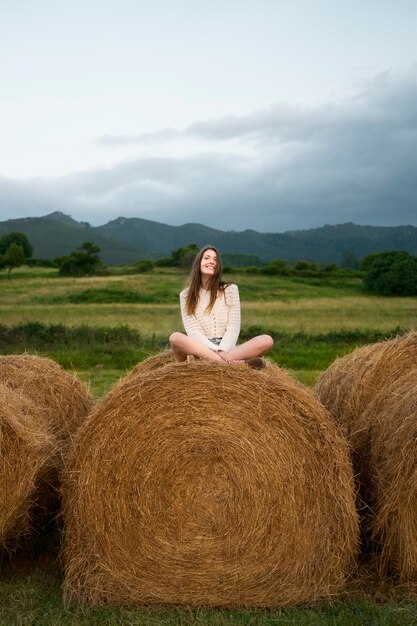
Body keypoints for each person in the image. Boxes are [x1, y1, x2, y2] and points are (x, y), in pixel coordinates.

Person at [169, 246, 274, 367]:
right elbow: (193, 332)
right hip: (201, 349)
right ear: (198, 263)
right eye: (207, 258)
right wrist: (213, 350)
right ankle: (237, 364)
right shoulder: (186, 295)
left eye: (215, 259)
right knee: (175, 338)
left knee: (267, 340)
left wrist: (222, 350)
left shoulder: (230, 290)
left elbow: (233, 326)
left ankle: (209, 362)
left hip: (229, 348)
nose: (212, 261)